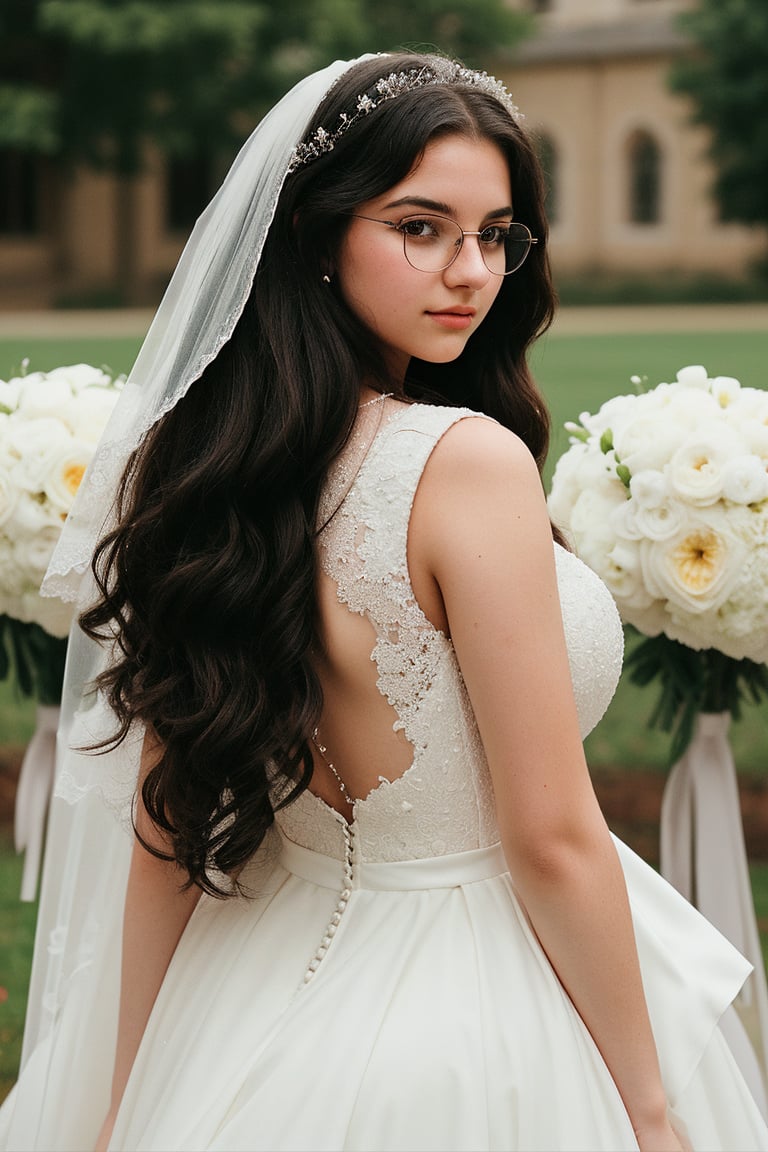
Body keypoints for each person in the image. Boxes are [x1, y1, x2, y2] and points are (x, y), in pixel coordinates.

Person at [0, 50, 766, 1152]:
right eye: (420, 227)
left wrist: (126, 1099)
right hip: (474, 1026)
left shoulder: (188, 467)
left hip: (248, 994)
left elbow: (172, 827)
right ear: (318, 237)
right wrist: (648, 1108)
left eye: (496, 234)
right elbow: (551, 835)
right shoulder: (468, 465)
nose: (470, 270)